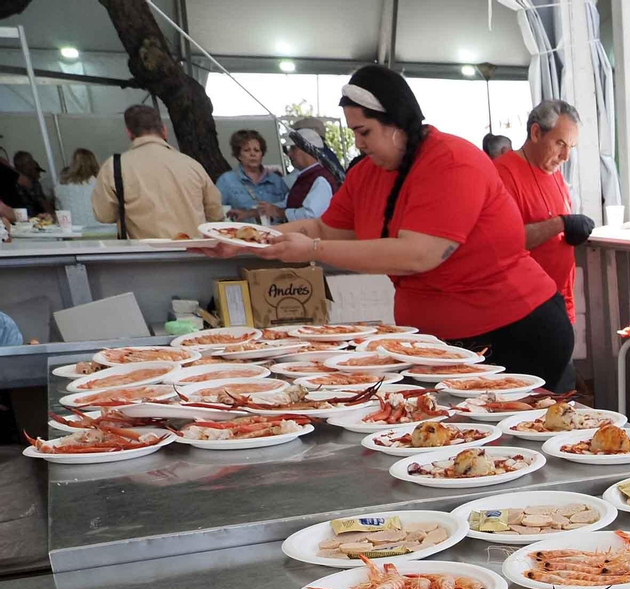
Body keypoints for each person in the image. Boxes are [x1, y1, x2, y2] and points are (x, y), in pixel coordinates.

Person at [199, 65, 571, 385]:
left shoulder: (453, 161)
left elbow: (419, 254)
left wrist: (312, 253)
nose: (359, 144)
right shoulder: (368, 173)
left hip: (516, 332)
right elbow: (322, 229)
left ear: (396, 124)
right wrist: (244, 241)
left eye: (365, 132)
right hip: (439, 341)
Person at [494, 98, 593, 340]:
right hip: (524, 311)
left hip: (561, 304)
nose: (566, 156)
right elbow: (505, 242)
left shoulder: (554, 173)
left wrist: (571, 229)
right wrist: (560, 224)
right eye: (560, 143)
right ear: (536, 133)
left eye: (572, 146)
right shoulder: (502, 173)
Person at [92, 104, 223, 239]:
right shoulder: (192, 165)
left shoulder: (114, 166)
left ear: (129, 132)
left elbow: (104, 215)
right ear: (164, 130)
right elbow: (216, 214)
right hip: (192, 253)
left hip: (144, 255)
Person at [258, 128, 340, 223]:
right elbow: (288, 203)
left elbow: (310, 215)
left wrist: (278, 212)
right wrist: (265, 209)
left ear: (308, 150)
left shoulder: (321, 179)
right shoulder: (308, 177)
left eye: (293, 148)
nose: (289, 154)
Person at [216, 129, 289, 222]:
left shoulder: (277, 181)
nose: (253, 154)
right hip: (240, 234)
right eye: (247, 150)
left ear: (262, 154)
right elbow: (216, 212)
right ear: (239, 155)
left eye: (257, 150)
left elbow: (288, 211)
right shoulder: (226, 180)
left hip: (275, 233)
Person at [57, 148, 100, 230]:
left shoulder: (62, 183)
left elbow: (59, 206)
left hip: (73, 230)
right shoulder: (99, 181)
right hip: (102, 229)